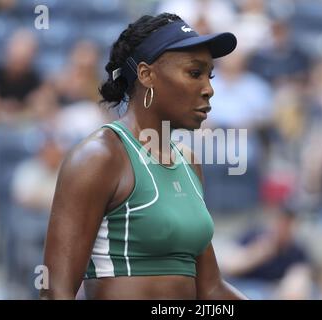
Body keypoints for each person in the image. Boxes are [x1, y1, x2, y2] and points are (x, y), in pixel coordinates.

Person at [40, 13, 246, 300]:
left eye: (209, 75)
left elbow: (210, 288)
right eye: (195, 73)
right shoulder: (99, 157)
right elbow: (56, 292)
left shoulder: (189, 162)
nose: (209, 89)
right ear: (147, 75)